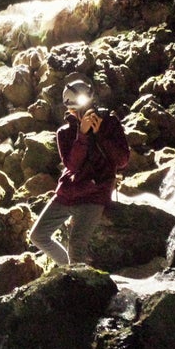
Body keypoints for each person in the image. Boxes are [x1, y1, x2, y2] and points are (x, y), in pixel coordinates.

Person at [29, 78, 129, 266]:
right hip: (68, 191)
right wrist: (82, 134)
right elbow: (72, 165)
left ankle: (79, 287)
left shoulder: (109, 123)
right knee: (38, 235)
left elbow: (122, 160)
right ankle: (68, 271)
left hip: (95, 193)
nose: (82, 112)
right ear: (70, 110)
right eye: (76, 109)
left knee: (76, 244)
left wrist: (100, 135)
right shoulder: (64, 133)